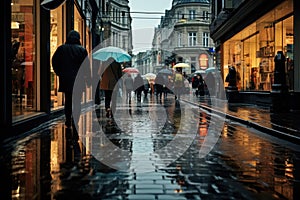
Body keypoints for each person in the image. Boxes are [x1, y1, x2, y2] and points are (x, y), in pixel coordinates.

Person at [52, 30, 91, 128]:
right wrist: (89, 80)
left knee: (68, 100)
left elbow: (54, 61)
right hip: (79, 80)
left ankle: (68, 119)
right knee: (77, 101)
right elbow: (86, 66)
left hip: (66, 79)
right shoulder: (82, 50)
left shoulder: (61, 49)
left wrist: (59, 72)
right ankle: (75, 120)